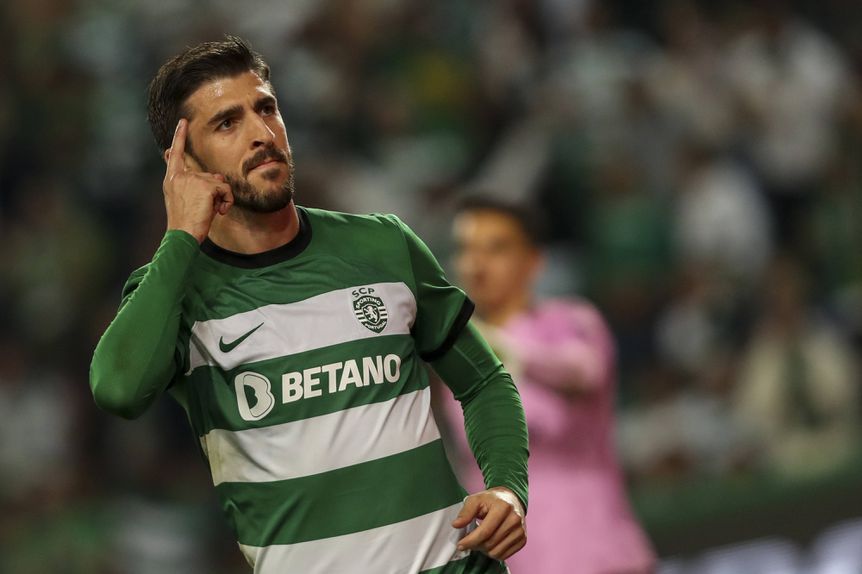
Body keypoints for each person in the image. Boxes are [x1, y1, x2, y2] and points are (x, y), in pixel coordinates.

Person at [89, 36, 528, 574]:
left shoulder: (383, 244)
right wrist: (181, 235)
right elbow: (118, 389)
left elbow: (484, 382)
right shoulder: (173, 289)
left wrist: (507, 486)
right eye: (227, 123)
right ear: (183, 162)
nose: (261, 133)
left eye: (265, 108)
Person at [439, 196, 655, 573]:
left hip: (596, 551)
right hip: (512, 561)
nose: (477, 263)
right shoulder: (453, 355)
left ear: (533, 260)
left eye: (496, 248)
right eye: (466, 249)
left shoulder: (572, 320)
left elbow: (584, 370)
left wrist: (500, 345)